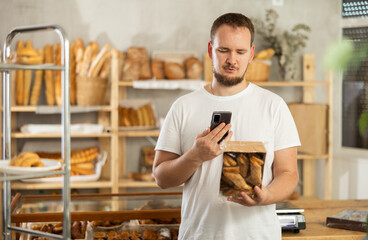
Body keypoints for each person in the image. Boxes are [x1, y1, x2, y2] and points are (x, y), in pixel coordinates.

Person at [153, 12, 300, 240]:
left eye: (240, 52)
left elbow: (288, 173)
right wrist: (195, 156)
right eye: (224, 51)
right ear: (211, 50)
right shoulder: (183, 107)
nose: (232, 60)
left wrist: (267, 195)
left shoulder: (274, 106)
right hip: (199, 235)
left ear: (251, 54)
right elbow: (161, 178)